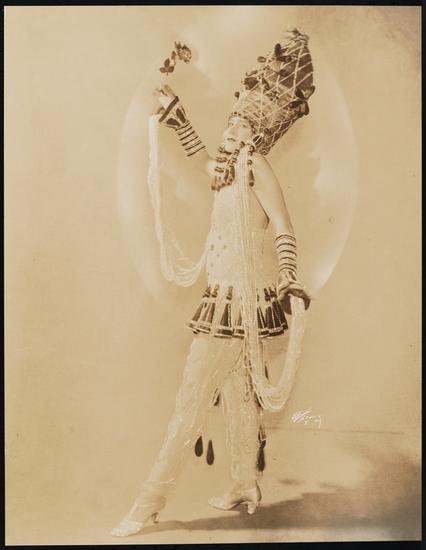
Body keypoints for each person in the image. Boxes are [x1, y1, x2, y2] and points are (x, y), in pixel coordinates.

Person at [111, 27, 314, 537]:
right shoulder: (228, 168)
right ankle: (245, 482)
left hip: (242, 302)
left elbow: (284, 226)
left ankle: (148, 501)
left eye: (241, 123)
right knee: (239, 391)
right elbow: (202, 160)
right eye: (231, 119)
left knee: (191, 401)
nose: (231, 126)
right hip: (224, 300)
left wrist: (289, 276)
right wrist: (175, 112)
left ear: (256, 132)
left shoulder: (257, 167)